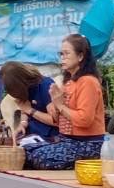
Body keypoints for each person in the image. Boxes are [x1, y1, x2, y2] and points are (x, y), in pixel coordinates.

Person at [24, 34, 106, 169]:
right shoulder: (68, 82)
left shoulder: (88, 82)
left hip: (85, 145)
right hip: (66, 141)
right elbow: (60, 121)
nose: (62, 58)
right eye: (61, 54)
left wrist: (60, 105)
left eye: (67, 54)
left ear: (80, 56)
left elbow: (84, 120)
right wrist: (54, 106)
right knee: (25, 149)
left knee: (36, 157)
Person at [1, 61, 59, 144]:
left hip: (49, 136)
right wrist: (23, 123)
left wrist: (30, 110)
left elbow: (56, 121)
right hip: (31, 133)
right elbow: (24, 110)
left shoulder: (45, 86)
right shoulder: (26, 90)